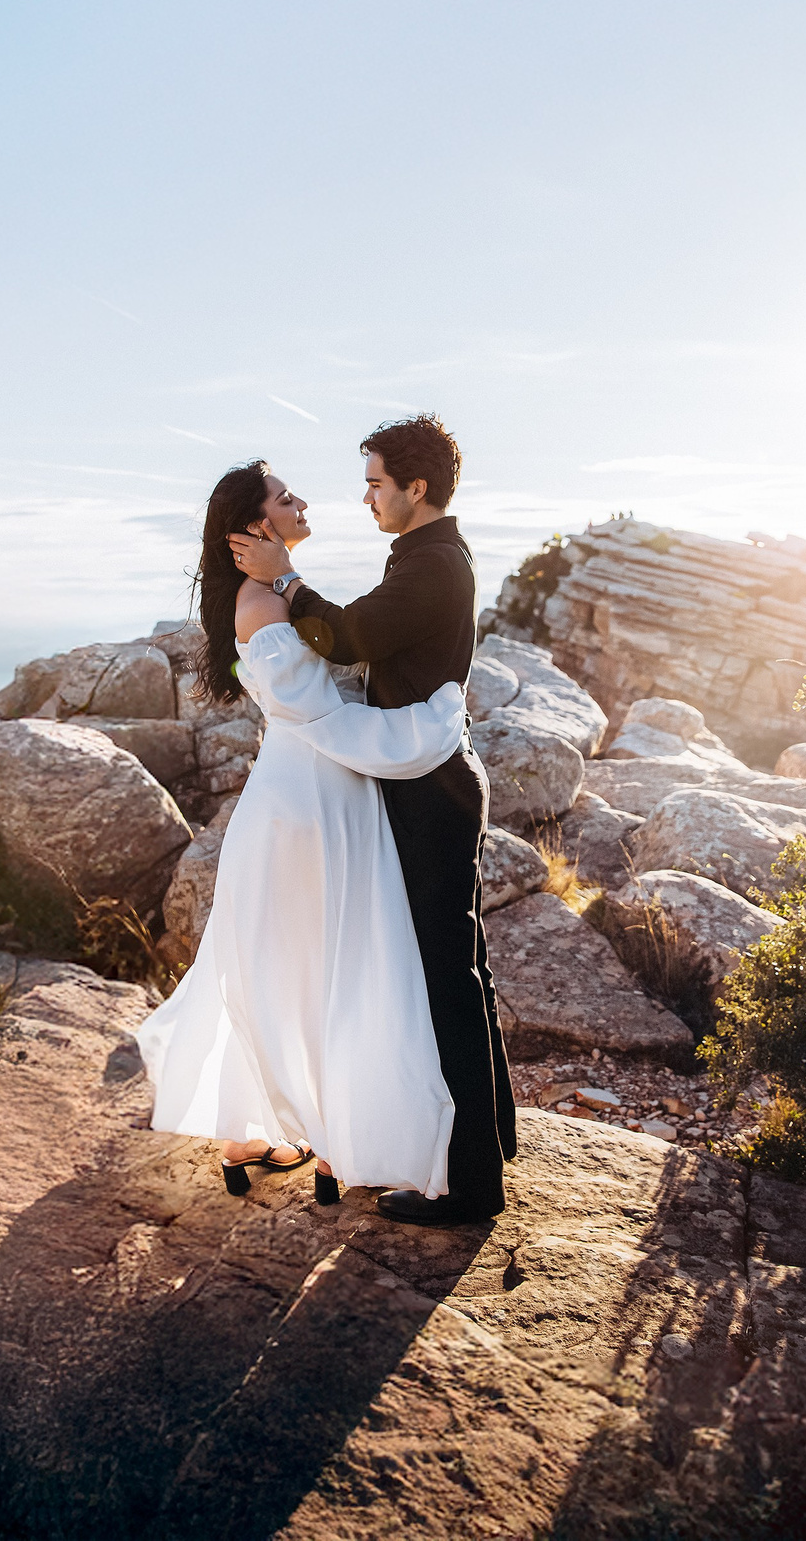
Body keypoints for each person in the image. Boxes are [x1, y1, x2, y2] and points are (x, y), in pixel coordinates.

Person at [138, 460, 469, 1203]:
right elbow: (322, 716)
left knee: (285, 964)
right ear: (256, 528)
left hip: (295, 797)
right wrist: (428, 726)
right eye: (285, 498)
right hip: (319, 800)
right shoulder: (262, 607)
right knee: (332, 968)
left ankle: (254, 1138)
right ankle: (330, 1145)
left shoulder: (260, 601)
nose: (303, 503)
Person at [228, 414, 517, 1226]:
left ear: (415, 488)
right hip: (428, 776)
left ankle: (471, 1184)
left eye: (376, 484)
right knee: (465, 968)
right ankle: (494, 1140)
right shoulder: (427, 556)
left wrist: (285, 580)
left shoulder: (434, 564)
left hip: (431, 789)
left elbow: (351, 635)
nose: (365, 498)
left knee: (446, 979)